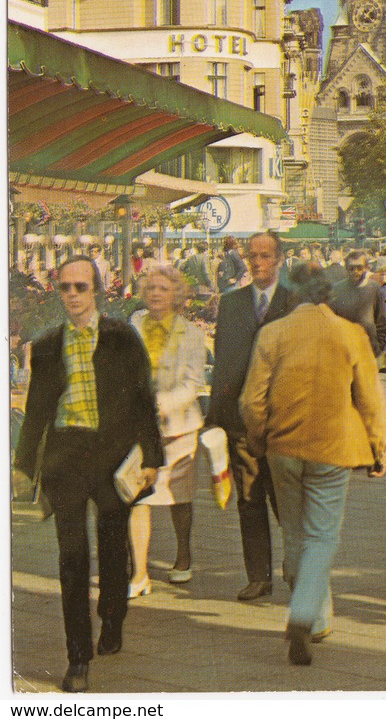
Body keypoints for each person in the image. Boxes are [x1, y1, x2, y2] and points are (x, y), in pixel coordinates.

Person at [14, 256, 162, 693]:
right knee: (72, 557)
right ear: (58, 292)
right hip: (66, 456)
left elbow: (142, 400)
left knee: (114, 548)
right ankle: (77, 657)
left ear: (96, 290)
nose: (73, 295)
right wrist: (23, 468)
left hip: (113, 455)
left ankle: (113, 615)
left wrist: (152, 457)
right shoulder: (46, 345)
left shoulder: (122, 338)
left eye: (81, 287)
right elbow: (37, 411)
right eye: (65, 288)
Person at [240, 263, 386, 666]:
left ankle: (314, 614)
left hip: (283, 447)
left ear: (292, 294)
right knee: (322, 535)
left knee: (293, 529)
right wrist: (379, 447)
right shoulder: (351, 334)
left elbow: (251, 401)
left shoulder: (272, 333)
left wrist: (258, 440)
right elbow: (370, 399)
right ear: (328, 294)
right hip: (333, 447)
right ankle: (308, 616)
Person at [206, 232, 290, 601]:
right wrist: (216, 418)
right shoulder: (232, 303)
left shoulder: (295, 303)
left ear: (279, 259)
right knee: (250, 497)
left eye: (265, 256)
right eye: (252, 256)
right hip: (242, 419)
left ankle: (297, 567)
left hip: (285, 421)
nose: (257, 263)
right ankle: (258, 575)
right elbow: (223, 362)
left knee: (288, 500)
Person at [128, 266, 205, 595]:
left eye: (163, 288)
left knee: (178, 498)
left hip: (178, 429)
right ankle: (140, 573)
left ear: (177, 295)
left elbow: (193, 385)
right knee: (136, 497)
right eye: (151, 288)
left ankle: (183, 555)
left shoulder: (193, 333)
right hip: (137, 428)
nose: (156, 293)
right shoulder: (134, 325)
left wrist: (157, 404)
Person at [329, 250, 386, 360]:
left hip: (368, 349)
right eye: (351, 268)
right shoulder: (337, 289)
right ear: (346, 269)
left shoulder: (374, 288)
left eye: (359, 268)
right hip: (343, 351)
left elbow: (381, 320)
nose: (355, 271)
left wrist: (379, 347)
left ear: (366, 268)